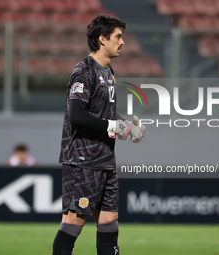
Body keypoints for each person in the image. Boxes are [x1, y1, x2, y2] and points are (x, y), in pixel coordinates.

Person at [52, 15, 145, 255]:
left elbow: (105, 114)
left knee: (109, 220)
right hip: (83, 160)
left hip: (105, 159)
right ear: (102, 40)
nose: (123, 42)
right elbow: (77, 115)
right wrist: (114, 127)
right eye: (118, 37)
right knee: (74, 222)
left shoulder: (109, 72)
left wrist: (126, 127)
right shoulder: (84, 71)